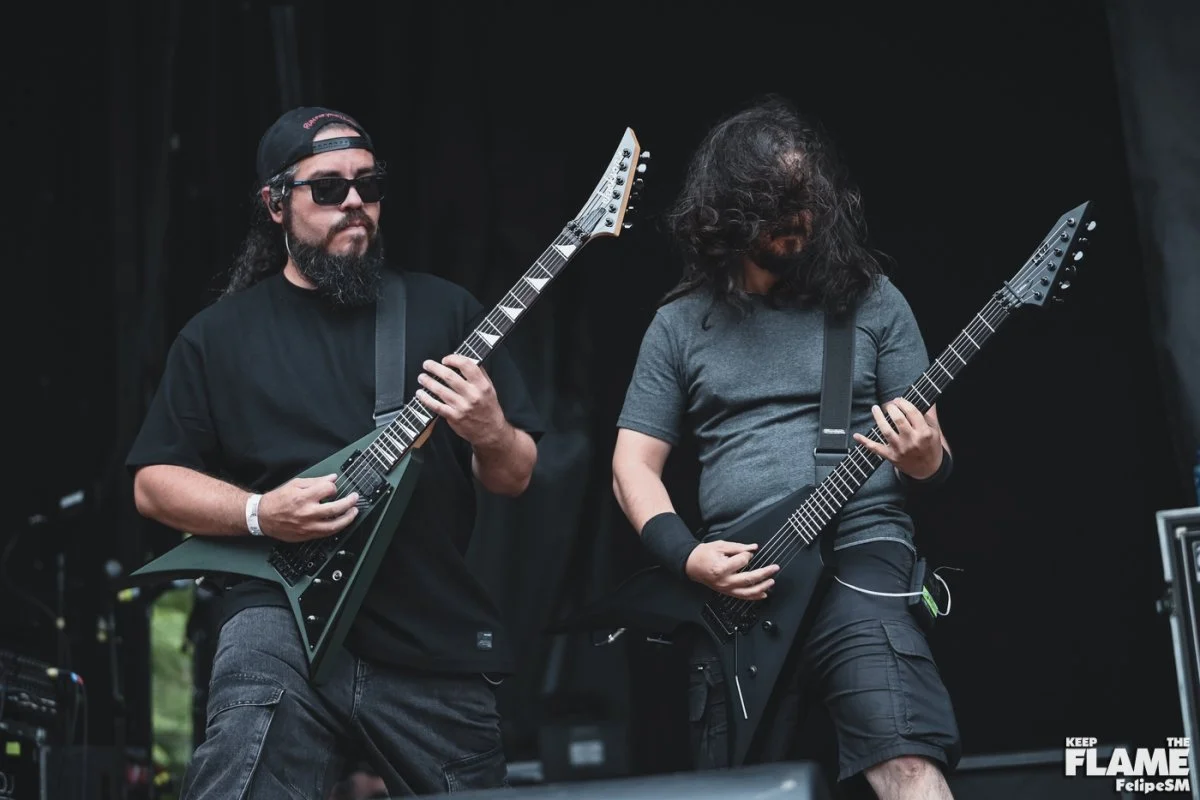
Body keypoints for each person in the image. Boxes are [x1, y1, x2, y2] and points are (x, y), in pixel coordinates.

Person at [127, 106, 544, 798]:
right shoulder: (217, 337)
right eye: (327, 188)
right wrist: (263, 512)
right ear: (274, 204)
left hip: (428, 625)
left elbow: (516, 475)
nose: (354, 201)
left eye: (369, 185)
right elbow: (154, 484)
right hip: (278, 618)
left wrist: (490, 428)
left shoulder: (444, 311)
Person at [611, 95, 961, 800]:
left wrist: (924, 456)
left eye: (807, 200)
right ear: (727, 213)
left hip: (859, 558)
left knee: (907, 761)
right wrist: (689, 554)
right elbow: (632, 466)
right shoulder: (680, 325)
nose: (799, 219)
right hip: (743, 585)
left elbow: (933, 453)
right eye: (777, 204)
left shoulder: (872, 301)